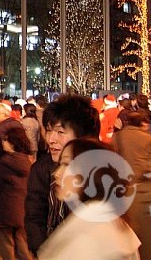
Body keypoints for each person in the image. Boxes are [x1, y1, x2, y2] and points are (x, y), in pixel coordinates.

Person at [37, 138, 140, 260]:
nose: (57, 173)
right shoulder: (106, 222)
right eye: (60, 165)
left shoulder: (91, 236)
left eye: (66, 164)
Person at [24, 94, 100, 254]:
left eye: (60, 132)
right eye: (49, 130)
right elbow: (34, 216)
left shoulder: (101, 170)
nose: (51, 139)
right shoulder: (41, 169)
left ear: (82, 136)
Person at [0, 125, 32, 260]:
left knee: (7, 243)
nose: (3, 142)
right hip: (22, 208)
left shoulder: (4, 163)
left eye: (5, 140)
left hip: (6, 208)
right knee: (22, 243)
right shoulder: (27, 161)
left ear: (12, 142)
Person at [111, 110, 151, 182]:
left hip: (123, 180)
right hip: (142, 180)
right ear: (141, 123)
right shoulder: (148, 138)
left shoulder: (117, 136)